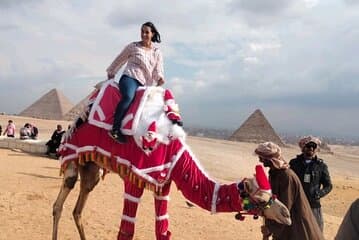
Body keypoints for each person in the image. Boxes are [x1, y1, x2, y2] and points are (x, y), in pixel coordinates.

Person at [107, 21, 164, 143]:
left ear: (152, 34)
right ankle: (115, 129)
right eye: (142, 31)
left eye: (147, 32)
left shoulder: (157, 52)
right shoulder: (133, 46)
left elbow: (157, 70)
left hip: (145, 84)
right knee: (128, 97)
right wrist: (112, 71)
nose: (143, 34)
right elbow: (120, 59)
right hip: (130, 78)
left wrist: (160, 77)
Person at [255, 142, 324, 240]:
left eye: (262, 158)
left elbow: (284, 207)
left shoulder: (286, 176)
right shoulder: (274, 173)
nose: (260, 160)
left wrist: (271, 228)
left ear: (270, 158)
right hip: (284, 222)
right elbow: (273, 199)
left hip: (295, 222)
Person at [289, 136, 332, 232]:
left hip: (314, 205)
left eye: (314, 146)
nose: (311, 149)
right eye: (308, 146)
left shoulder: (321, 166)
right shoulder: (294, 163)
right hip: (297, 204)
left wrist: (319, 193)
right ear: (303, 147)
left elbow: (328, 185)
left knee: (316, 232)